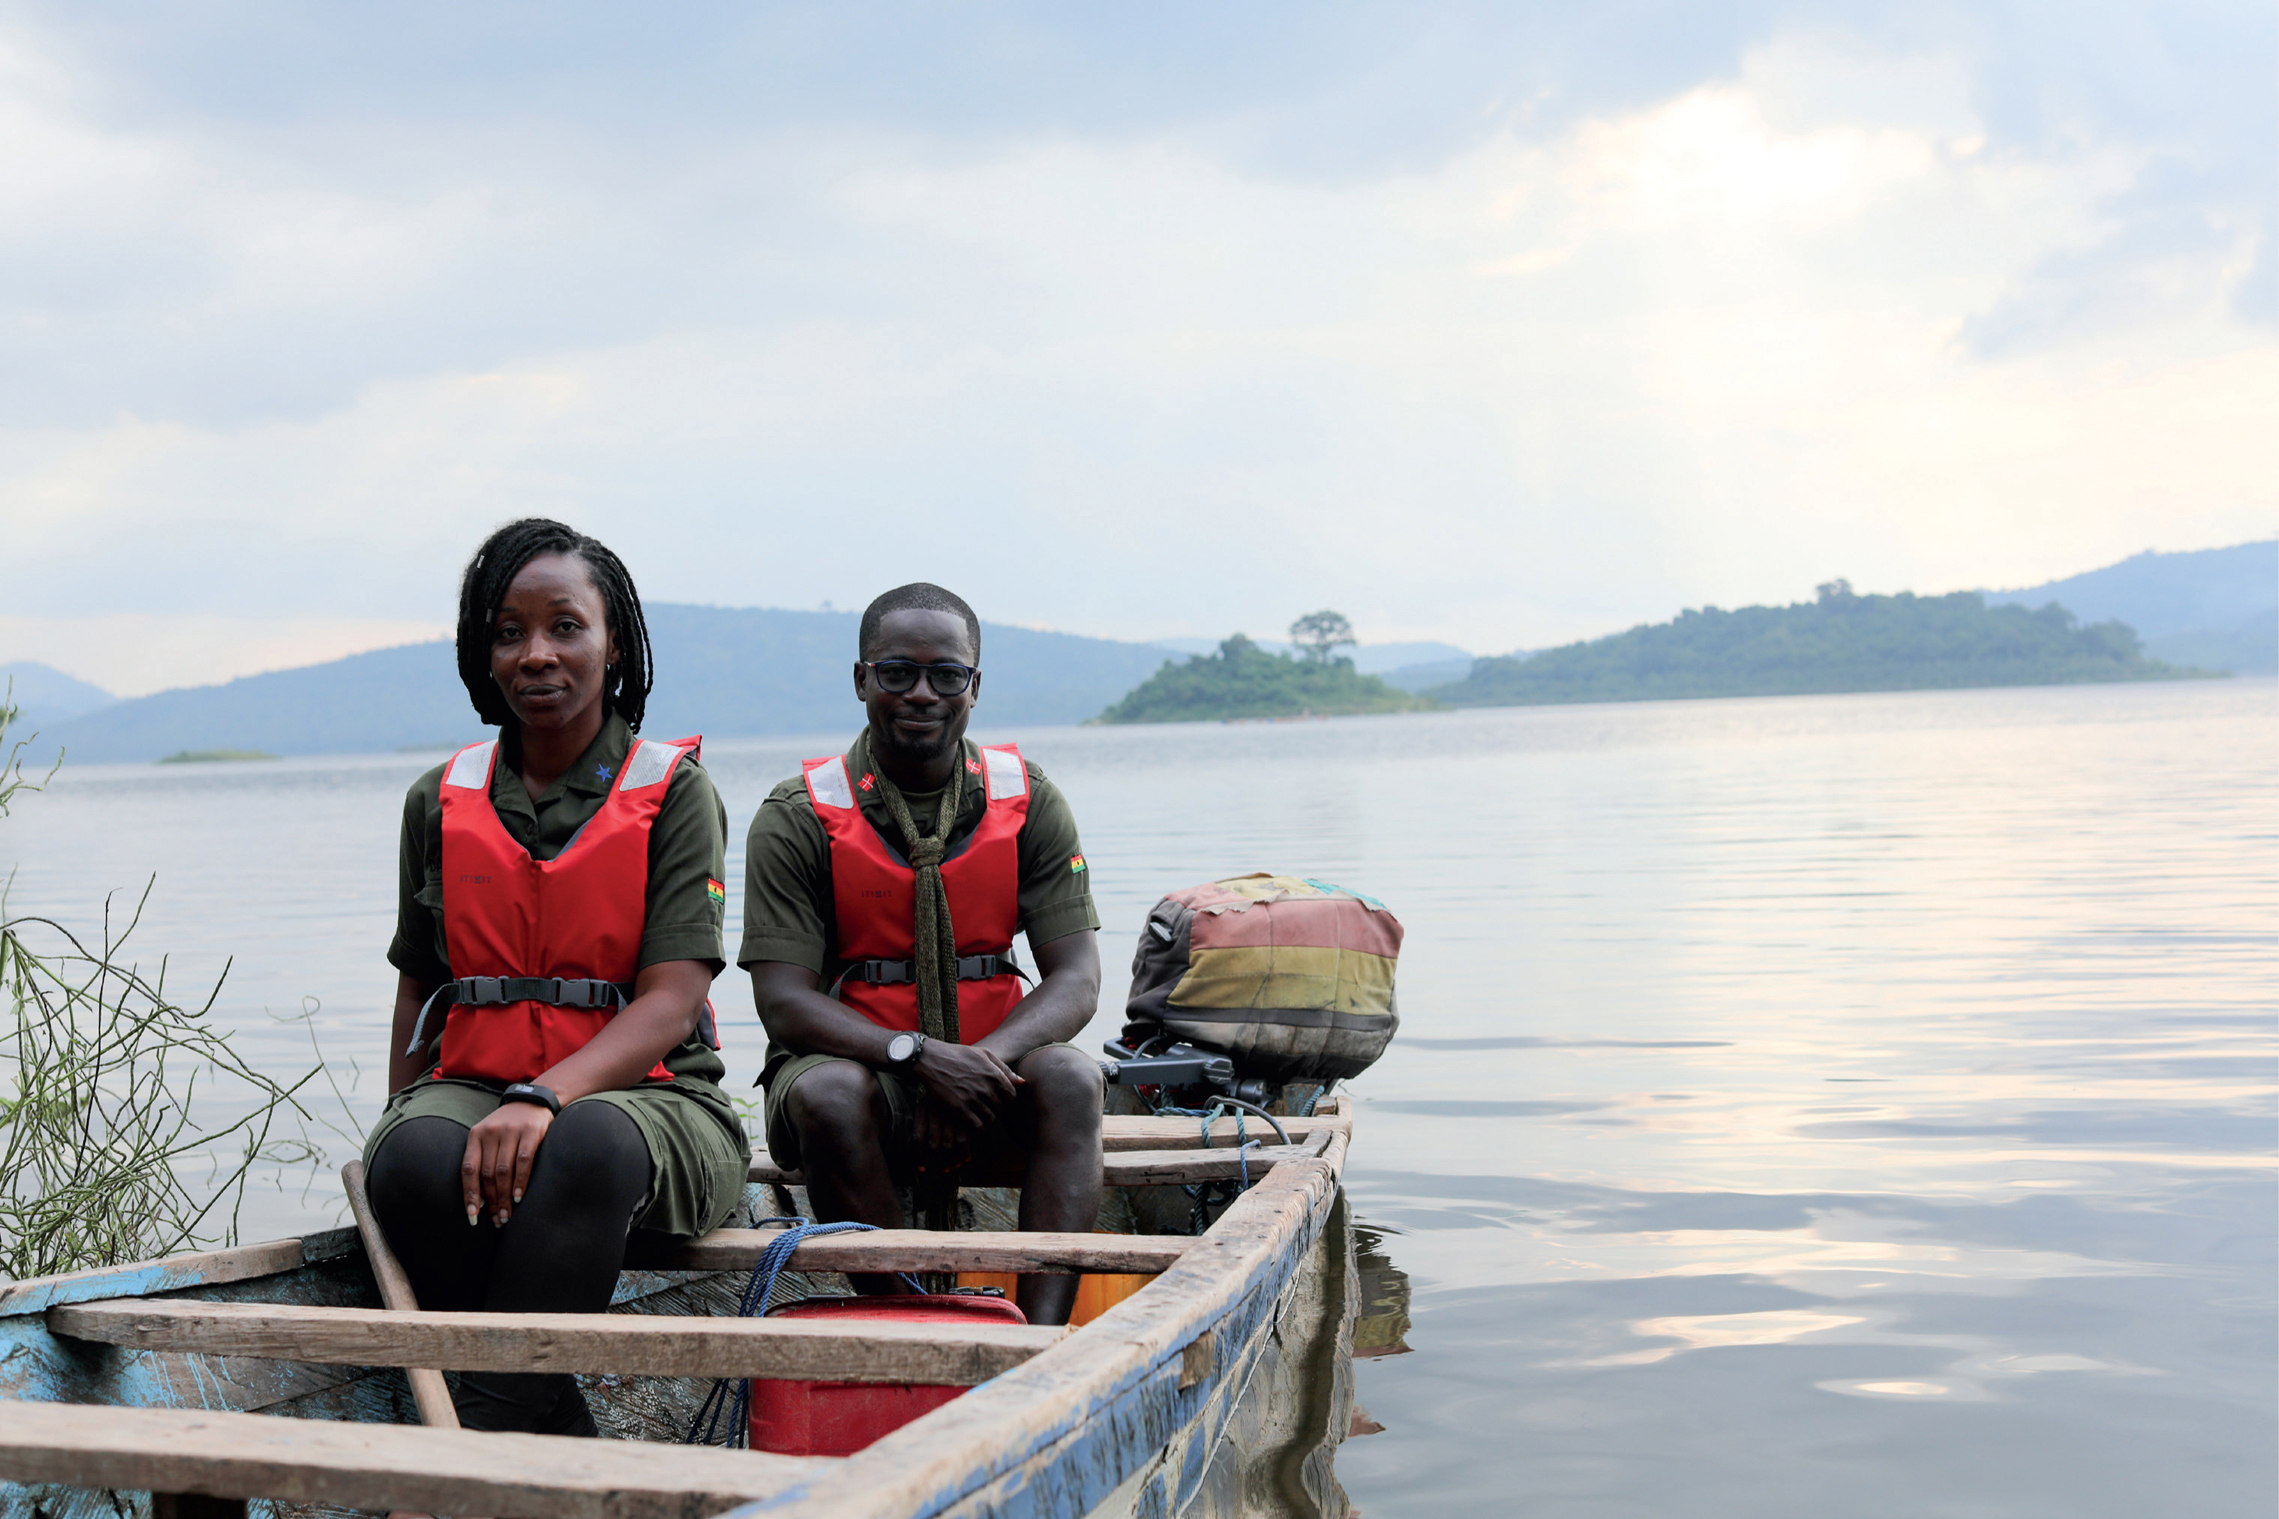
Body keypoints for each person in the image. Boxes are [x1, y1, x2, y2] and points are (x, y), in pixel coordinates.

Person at [361, 518, 749, 1436]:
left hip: (650, 1104)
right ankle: (553, 1445)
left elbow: (672, 997)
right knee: (411, 1160)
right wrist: (395, 1120)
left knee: (591, 1143)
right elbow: (420, 987)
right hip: (473, 1084)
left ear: (614, 644)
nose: (536, 654)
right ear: (481, 651)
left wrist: (543, 1095)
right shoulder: (439, 797)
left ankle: (461, 1469)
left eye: (565, 627)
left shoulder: (674, 792)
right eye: (508, 631)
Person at [741, 582, 1104, 1326]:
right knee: (828, 1096)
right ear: (861, 680)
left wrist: (983, 1062)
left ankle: (1034, 1344)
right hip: (863, 1071)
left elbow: (1077, 976)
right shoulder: (797, 814)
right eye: (896, 672)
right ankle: (911, 1327)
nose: (921, 693)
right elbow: (782, 1001)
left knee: (1073, 1075)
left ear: (973, 686)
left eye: (946, 675)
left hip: (991, 1066)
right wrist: (919, 1057)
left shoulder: (1028, 798)